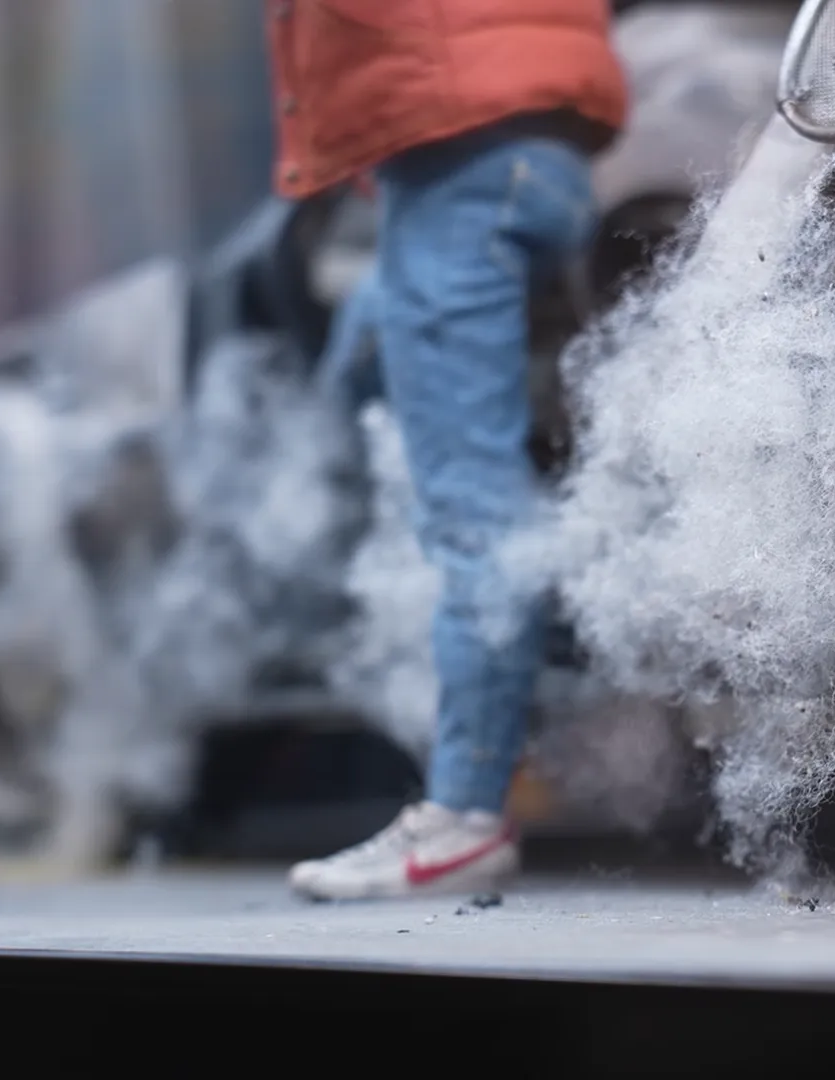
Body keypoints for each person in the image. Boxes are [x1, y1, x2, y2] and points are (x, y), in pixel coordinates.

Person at [267, 0, 627, 901]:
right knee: (366, 358)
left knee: (474, 508)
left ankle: (464, 815)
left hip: (455, 151)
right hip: (533, 141)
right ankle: (511, 725)